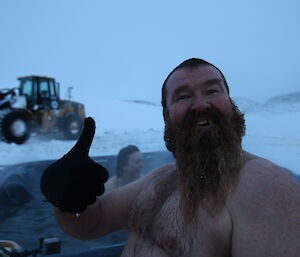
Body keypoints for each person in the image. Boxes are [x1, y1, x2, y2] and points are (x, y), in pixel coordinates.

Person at [41, 58, 300, 256]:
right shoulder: (160, 180)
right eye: (183, 96)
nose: (200, 105)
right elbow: (92, 223)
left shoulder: (265, 187)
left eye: (212, 91)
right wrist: (66, 199)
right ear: (166, 117)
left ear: (231, 105)